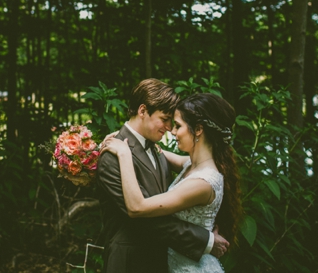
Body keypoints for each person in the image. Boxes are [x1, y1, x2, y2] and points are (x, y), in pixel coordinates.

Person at [96, 80, 231, 273]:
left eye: (174, 123)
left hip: (161, 261)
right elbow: (143, 219)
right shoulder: (114, 156)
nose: (169, 128)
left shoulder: (158, 151)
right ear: (142, 111)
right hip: (130, 263)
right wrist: (206, 241)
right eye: (165, 119)